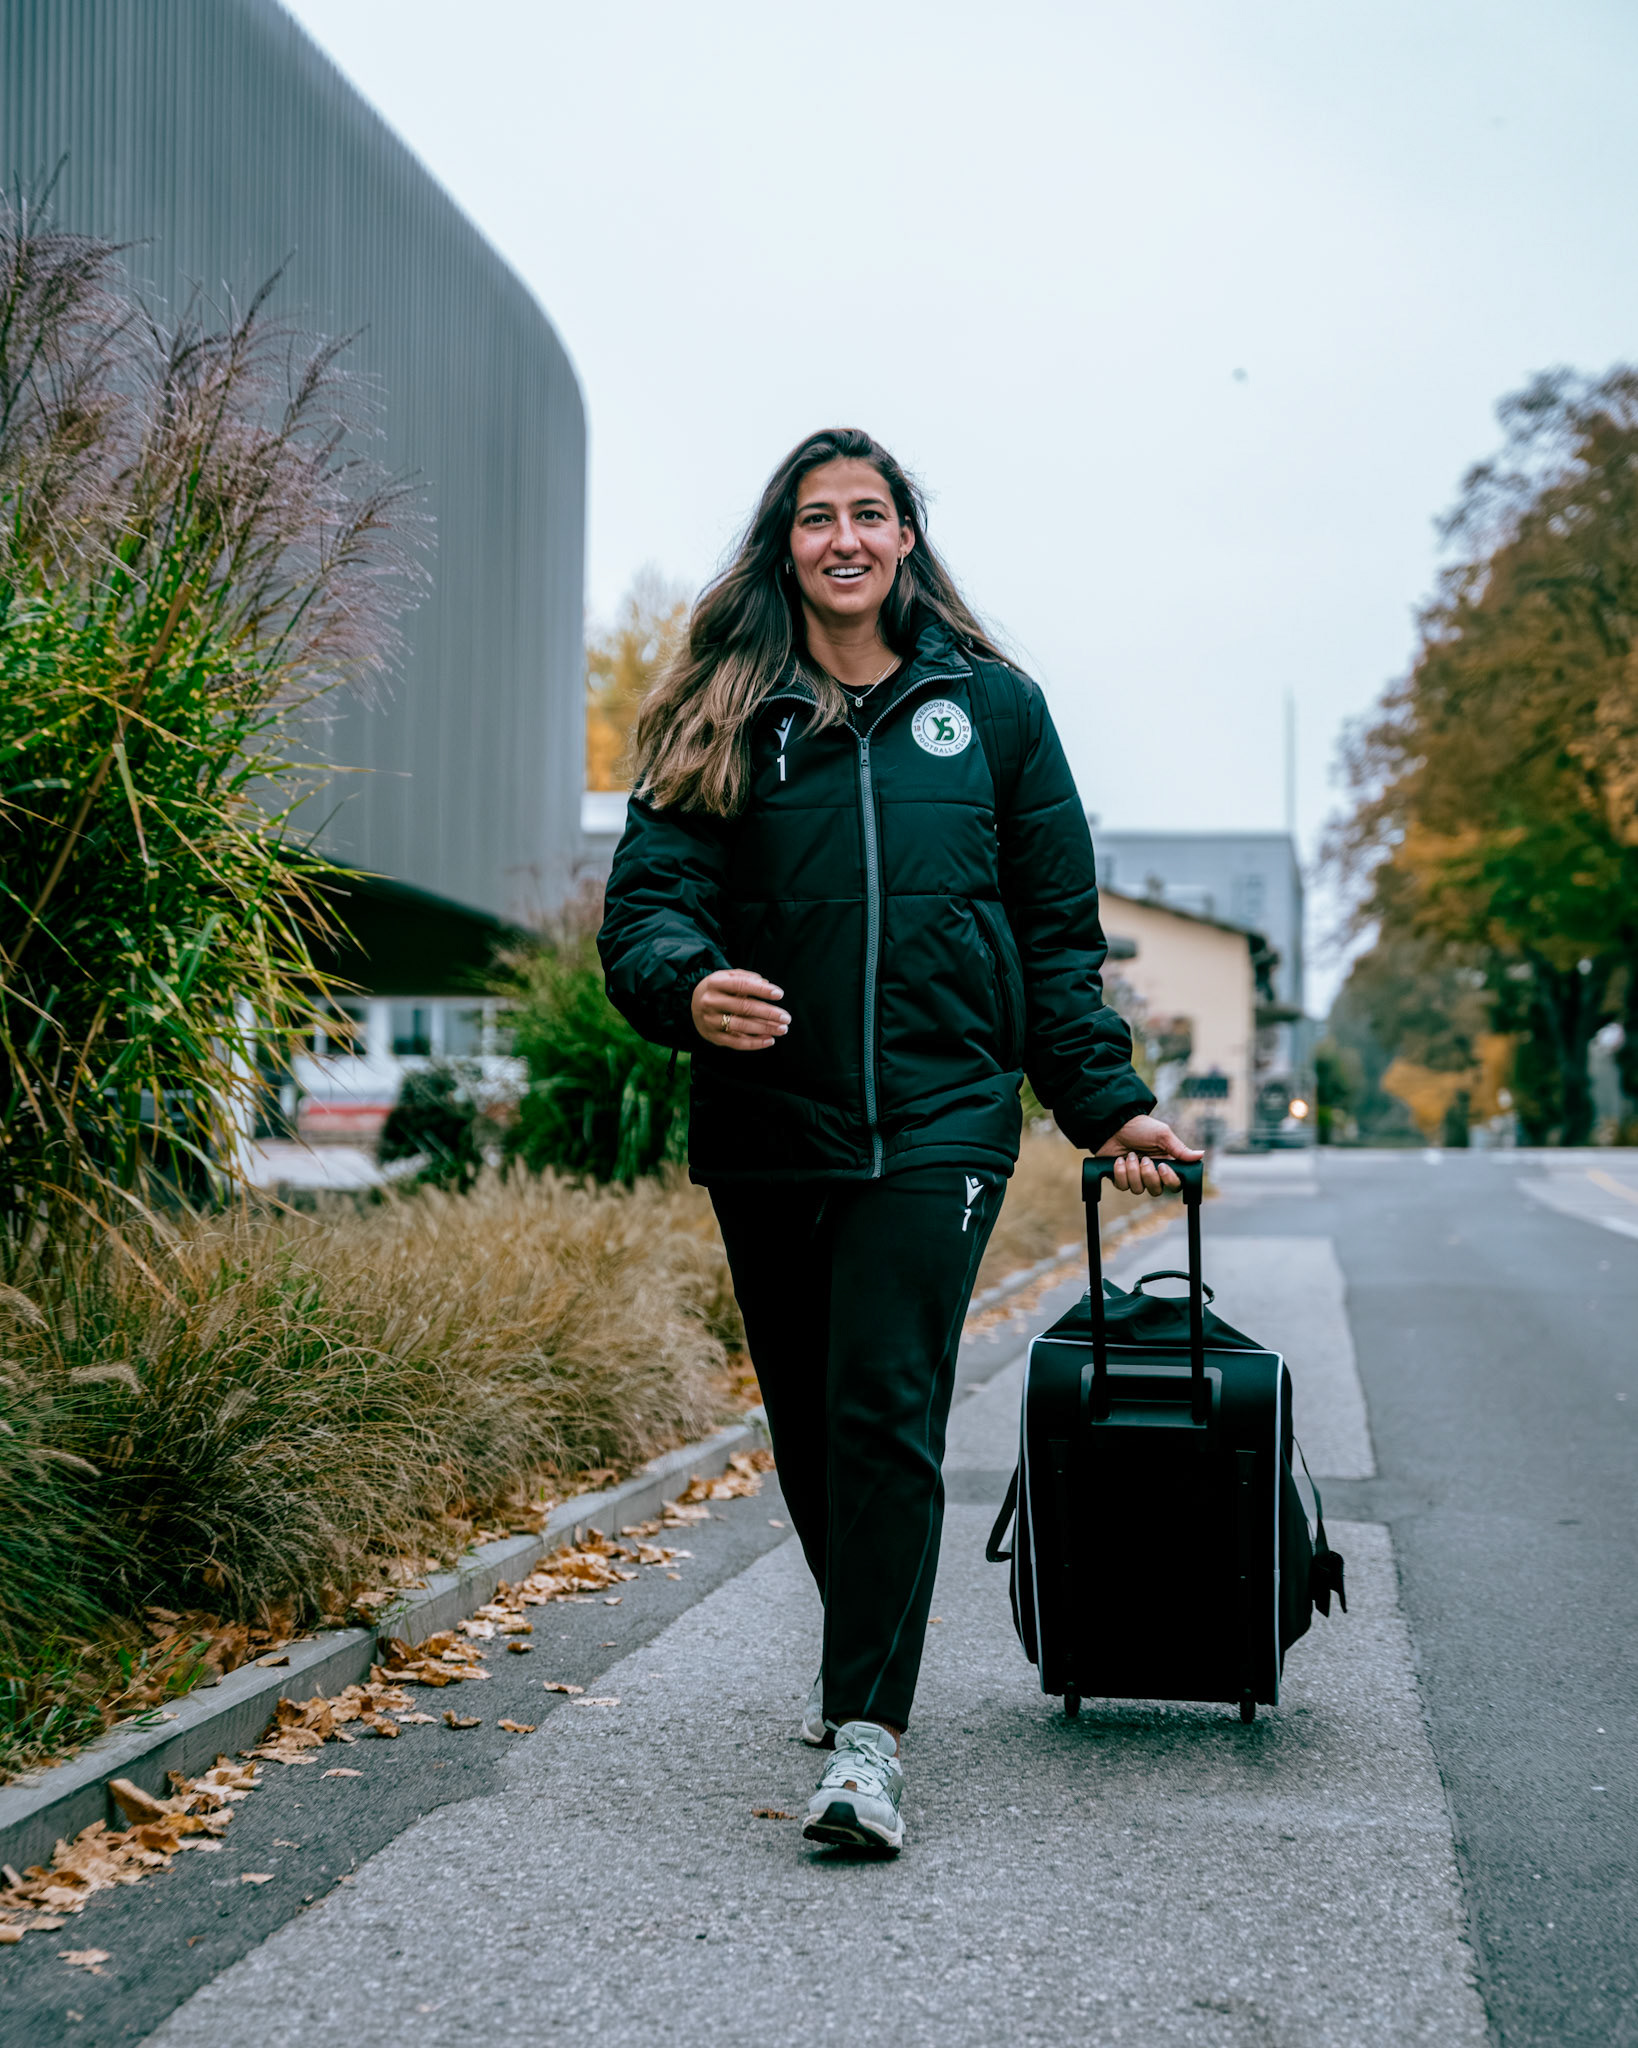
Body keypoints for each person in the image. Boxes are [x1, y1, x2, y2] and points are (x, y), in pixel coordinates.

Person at [599, 427, 1199, 1854]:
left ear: (907, 539)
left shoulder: (991, 711)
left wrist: (1103, 1102)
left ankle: (865, 1739)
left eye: (870, 515)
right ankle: (860, 1643)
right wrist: (689, 986)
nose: (846, 540)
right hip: (768, 1121)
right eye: (818, 520)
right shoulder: (723, 712)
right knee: (807, 1426)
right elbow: (646, 909)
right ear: (784, 546)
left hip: (940, 1123)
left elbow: (1054, 938)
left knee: (881, 1409)